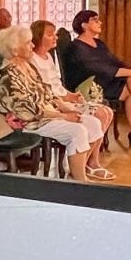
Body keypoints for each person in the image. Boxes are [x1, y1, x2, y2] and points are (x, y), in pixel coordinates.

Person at [0, 27, 108, 181]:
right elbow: (28, 111)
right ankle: (80, 181)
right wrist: (63, 116)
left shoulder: (27, 66)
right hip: (30, 123)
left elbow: (46, 91)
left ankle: (79, 170)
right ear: (15, 50)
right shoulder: (6, 75)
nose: (33, 46)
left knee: (92, 123)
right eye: (28, 43)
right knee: (77, 131)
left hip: (47, 114)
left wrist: (62, 105)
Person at [29, 19, 114, 163]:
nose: (55, 37)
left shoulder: (49, 56)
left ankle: (91, 159)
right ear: (38, 37)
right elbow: (44, 90)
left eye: (55, 34)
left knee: (107, 112)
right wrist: (64, 101)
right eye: (50, 35)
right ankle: (88, 162)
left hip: (62, 99)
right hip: (53, 105)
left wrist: (72, 96)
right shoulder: (32, 59)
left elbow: (57, 84)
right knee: (99, 115)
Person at [69, 10, 131, 149]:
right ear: (84, 25)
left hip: (107, 81)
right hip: (91, 85)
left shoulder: (99, 43)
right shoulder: (76, 47)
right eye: (95, 20)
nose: (100, 22)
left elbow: (114, 61)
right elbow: (97, 69)